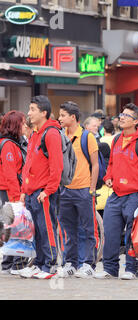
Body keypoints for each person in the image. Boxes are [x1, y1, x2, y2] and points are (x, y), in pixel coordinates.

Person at [94, 103, 138, 280]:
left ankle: (131, 269)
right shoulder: (117, 139)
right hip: (116, 195)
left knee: (132, 234)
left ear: (136, 122)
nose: (122, 117)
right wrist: (108, 177)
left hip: (135, 196)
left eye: (127, 115)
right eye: (122, 114)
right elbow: (110, 164)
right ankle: (110, 269)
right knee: (111, 233)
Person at [19, 95, 63, 279]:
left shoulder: (51, 133)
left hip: (43, 192)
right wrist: (23, 190)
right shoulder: (36, 133)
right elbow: (29, 164)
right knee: (36, 230)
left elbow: (57, 166)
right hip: (31, 191)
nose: (29, 113)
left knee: (47, 229)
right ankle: (38, 263)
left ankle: (50, 265)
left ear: (44, 112)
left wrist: (48, 190)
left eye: (32, 110)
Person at [57, 101, 99, 279]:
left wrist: (91, 188)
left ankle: (89, 264)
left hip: (83, 190)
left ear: (72, 117)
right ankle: (71, 263)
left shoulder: (87, 136)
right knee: (68, 229)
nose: (59, 119)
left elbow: (95, 164)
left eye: (62, 115)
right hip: (65, 190)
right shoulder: (60, 136)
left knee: (89, 229)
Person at [0, 111, 28, 275]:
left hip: (10, 190)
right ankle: (11, 264)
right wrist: (16, 199)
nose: (25, 126)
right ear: (15, 125)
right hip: (8, 191)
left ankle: (9, 263)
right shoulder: (8, 145)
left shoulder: (14, 143)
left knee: (10, 227)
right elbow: (10, 174)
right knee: (11, 226)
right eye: (23, 123)